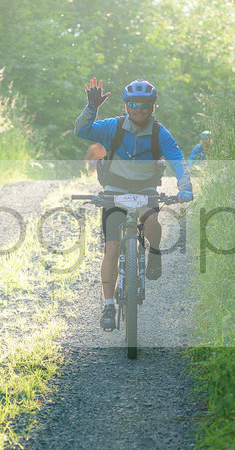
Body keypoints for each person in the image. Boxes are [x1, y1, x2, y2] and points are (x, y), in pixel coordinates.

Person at [75, 78, 193, 331]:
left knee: (151, 221)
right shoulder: (112, 127)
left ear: (153, 107)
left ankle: (154, 253)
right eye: (134, 103)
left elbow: (177, 159)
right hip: (115, 190)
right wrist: (91, 107)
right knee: (112, 248)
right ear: (126, 106)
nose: (139, 108)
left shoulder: (159, 132)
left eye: (145, 104)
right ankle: (108, 305)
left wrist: (185, 188)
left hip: (145, 189)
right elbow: (82, 131)